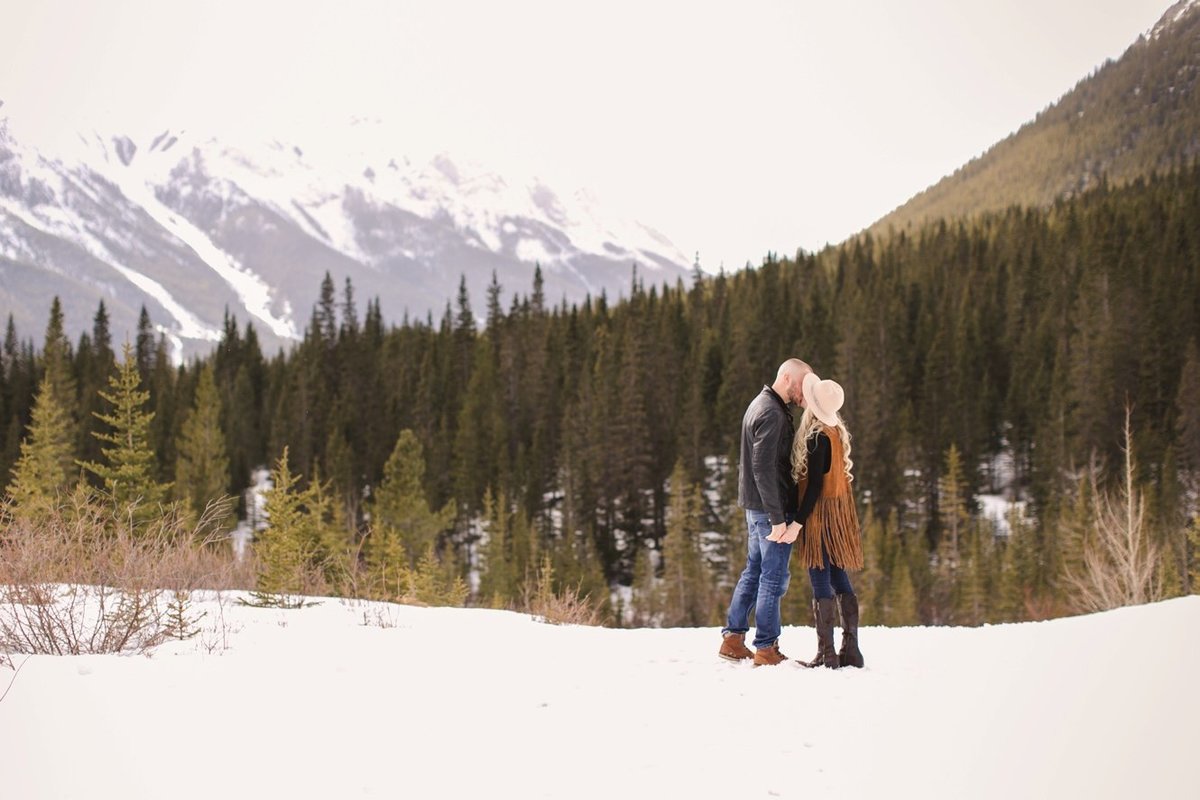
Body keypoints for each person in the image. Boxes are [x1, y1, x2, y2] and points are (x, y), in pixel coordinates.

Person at [718, 358, 812, 667]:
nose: (805, 393)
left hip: (756, 507)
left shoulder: (760, 404)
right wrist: (778, 518)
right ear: (786, 378)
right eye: (802, 385)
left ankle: (733, 639)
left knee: (755, 570)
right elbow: (762, 468)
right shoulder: (772, 412)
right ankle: (766, 647)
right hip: (769, 510)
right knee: (773, 577)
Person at [776, 371, 865, 669]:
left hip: (820, 516)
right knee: (838, 573)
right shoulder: (835, 430)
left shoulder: (816, 437)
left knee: (820, 574)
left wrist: (797, 524)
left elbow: (814, 486)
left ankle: (827, 653)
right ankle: (850, 650)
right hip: (839, 513)